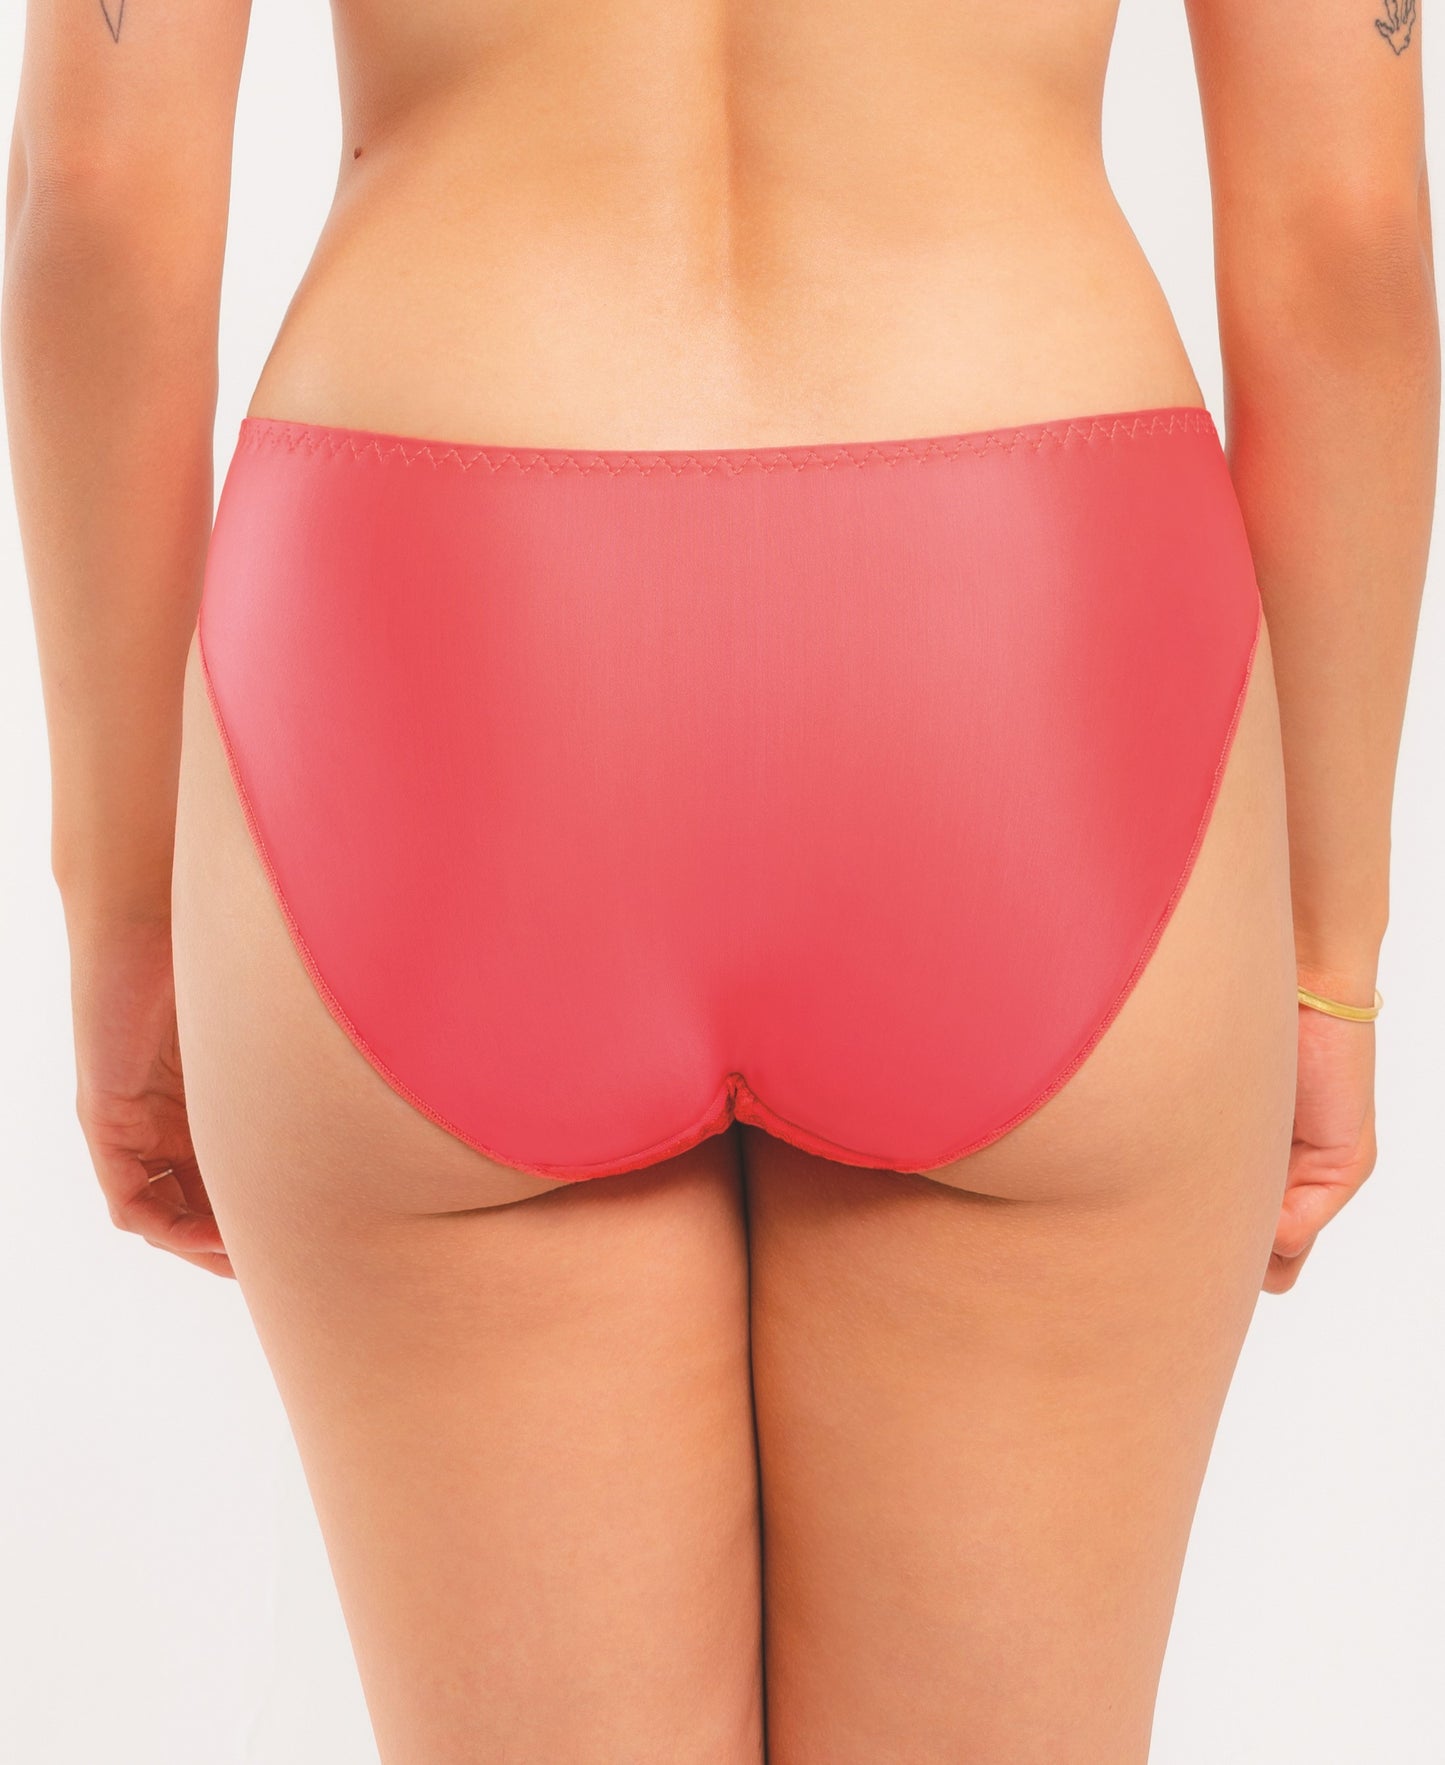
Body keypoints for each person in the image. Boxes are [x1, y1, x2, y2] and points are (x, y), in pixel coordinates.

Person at [3, 1, 1436, 1759]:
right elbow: (1343, 232)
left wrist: (123, 905)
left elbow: (97, 201)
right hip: (1013, 636)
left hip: (445, 648)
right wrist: (1325, 952)